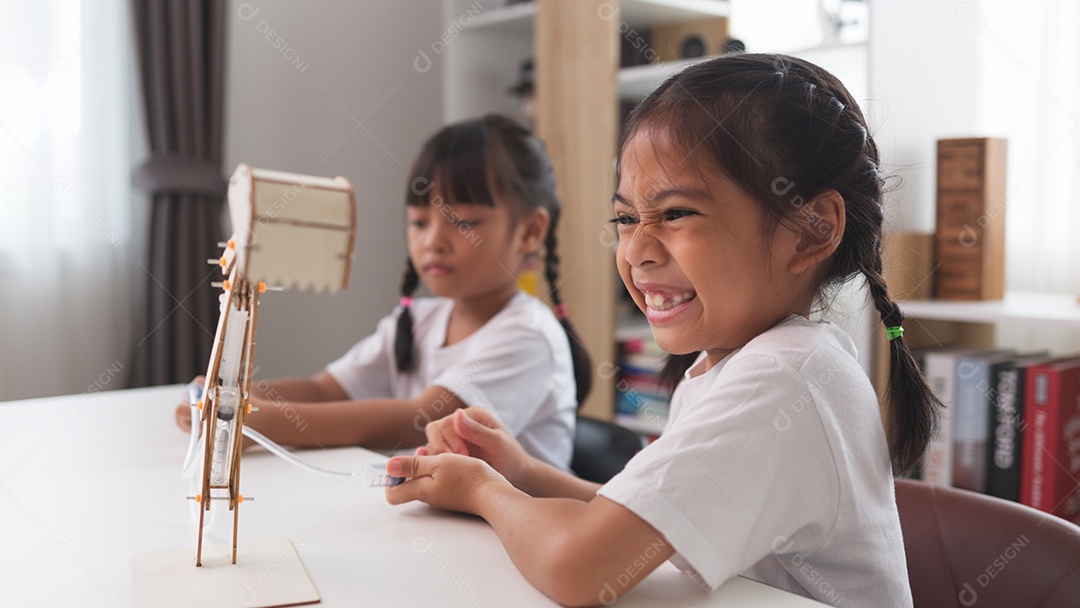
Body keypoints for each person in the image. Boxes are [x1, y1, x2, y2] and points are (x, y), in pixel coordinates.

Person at [383, 54, 940, 607]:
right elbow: (651, 522)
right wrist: (523, 472)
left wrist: (481, 490)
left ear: (811, 231)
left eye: (675, 214)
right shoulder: (742, 362)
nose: (636, 251)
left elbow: (578, 569)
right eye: (626, 219)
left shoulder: (785, 377)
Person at [176, 114, 591, 470]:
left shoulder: (527, 336)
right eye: (419, 222)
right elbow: (326, 390)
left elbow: (414, 419)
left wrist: (249, 419)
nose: (434, 241)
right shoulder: (420, 319)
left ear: (531, 231)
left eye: (462, 222)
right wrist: (229, 394)